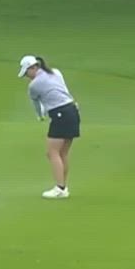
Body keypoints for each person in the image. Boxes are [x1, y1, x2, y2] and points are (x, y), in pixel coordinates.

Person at [18, 55, 80, 199]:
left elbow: (37, 105)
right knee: (62, 153)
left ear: (33, 68)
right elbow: (63, 90)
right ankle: (63, 187)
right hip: (72, 111)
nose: (27, 76)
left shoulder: (34, 85)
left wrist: (40, 116)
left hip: (60, 114)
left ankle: (59, 188)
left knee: (52, 153)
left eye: (27, 73)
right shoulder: (56, 72)